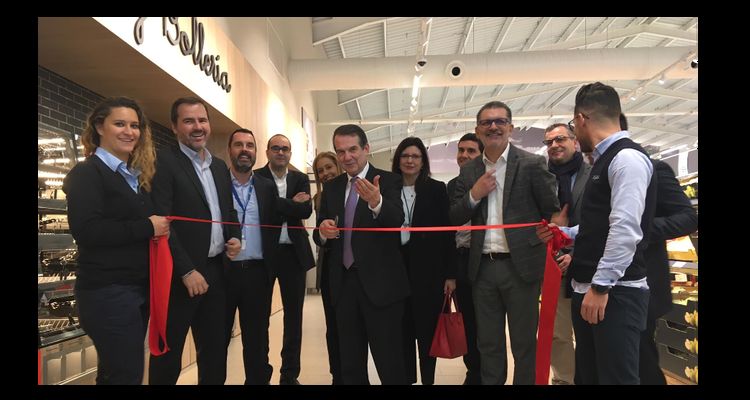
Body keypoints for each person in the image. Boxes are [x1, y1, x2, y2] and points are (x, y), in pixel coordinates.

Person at [538, 82, 657, 384]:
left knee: (615, 377)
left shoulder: (626, 159)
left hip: (614, 293)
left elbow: (625, 229)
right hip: (592, 289)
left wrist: (601, 286)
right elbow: (602, 223)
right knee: (590, 376)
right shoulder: (605, 161)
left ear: (580, 119)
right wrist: (566, 233)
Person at [449, 101, 561, 385]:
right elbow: (455, 215)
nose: (493, 127)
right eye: (486, 122)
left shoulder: (532, 164)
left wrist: (546, 233)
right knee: (488, 344)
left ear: (511, 127)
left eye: (500, 121)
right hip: (482, 269)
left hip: (521, 268)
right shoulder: (469, 171)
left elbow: (551, 211)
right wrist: (474, 194)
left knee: (524, 344)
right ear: (478, 130)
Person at [63, 97, 170, 385]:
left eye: (135, 126)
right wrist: (147, 227)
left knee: (117, 374)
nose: (129, 132)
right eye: (120, 124)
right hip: (107, 292)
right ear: (99, 127)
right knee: (125, 375)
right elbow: (87, 230)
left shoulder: (133, 177)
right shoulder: (87, 173)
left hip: (134, 289)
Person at [148, 97, 241, 385]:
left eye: (202, 120)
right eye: (189, 121)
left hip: (216, 273)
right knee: (168, 357)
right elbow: (162, 223)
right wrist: (186, 270)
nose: (197, 127)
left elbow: (228, 211)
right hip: (179, 277)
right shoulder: (163, 162)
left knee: (215, 354)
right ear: (175, 127)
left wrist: (235, 236)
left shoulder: (219, 167)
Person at [313, 124, 409, 385]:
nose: (347, 157)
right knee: (350, 366)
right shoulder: (332, 187)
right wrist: (323, 231)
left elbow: (396, 219)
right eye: (341, 151)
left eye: (353, 149)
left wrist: (377, 202)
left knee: (390, 364)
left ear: (366, 148)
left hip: (381, 288)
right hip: (343, 287)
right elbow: (319, 233)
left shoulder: (388, 181)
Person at [391, 137, 456, 385]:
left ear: (423, 161)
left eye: (415, 156)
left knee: (427, 331)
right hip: (397, 270)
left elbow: (447, 233)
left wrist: (450, 274)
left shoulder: (436, 189)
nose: (410, 160)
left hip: (429, 272)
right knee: (402, 331)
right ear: (398, 159)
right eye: (405, 155)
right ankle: (407, 379)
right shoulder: (388, 188)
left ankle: (428, 380)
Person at [254, 134, 315, 385]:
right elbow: (260, 210)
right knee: (260, 317)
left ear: (290, 153)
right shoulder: (257, 177)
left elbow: (306, 210)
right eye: (276, 148)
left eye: (285, 149)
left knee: (294, 318)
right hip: (263, 255)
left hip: (293, 255)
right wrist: (290, 204)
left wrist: (276, 204)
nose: (281, 152)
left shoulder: (300, 178)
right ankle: (261, 372)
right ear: (267, 152)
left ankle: (289, 374)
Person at [223, 128, 282, 385]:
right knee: (217, 339)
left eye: (250, 145)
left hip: (257, 274)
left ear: (257, 152)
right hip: (223, 272)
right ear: (230, 150)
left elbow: (275, 224)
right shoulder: (218, 183)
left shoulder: (266, 187)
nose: (244, 150)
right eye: (239, 145)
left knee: (257, 341)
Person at [543, 123, 591, 385]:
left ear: (575, 141)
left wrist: (576, 252)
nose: (554, 145)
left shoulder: (595, 174)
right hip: (554, 268)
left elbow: (603, 223)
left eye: (560, 139)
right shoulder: (541, 178)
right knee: (558, 334)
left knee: (590, 334)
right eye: (549, 142)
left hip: (590, 268)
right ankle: (563, 379)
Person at [445, 133, 483, 385]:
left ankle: (488, 372)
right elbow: (446, 230)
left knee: (486, 321)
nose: (464, 155)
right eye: (461, 150)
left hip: (484, 258)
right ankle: (474, 371)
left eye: (471, 151)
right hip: (460, 260)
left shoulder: (489, 182)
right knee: (467, 319)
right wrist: (449, 272)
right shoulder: (450, 187)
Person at [311, 151, 346, 384]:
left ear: (338, 166)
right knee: (332, 328)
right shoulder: (320, 199)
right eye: (320, 171)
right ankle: (337, 376)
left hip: (353, 270)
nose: (325, 173)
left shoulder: (354, 190)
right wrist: (323, 234)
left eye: (328, 167)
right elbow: (317, 235)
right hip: (330, 273)